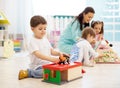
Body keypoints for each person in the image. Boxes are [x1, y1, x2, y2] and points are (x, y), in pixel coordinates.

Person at [18, 15, 67, 80]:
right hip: (37, 66)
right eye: (40, 29)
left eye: (45, 28)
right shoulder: (32, 41)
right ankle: (28, 72)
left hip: (48, 64)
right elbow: (38, 55)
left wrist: (59, 53)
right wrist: (51, 59)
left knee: (57, 69)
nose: (43, 31)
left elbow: (51, 51)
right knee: (45, 73)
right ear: (32, 29)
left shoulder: (45, 39)